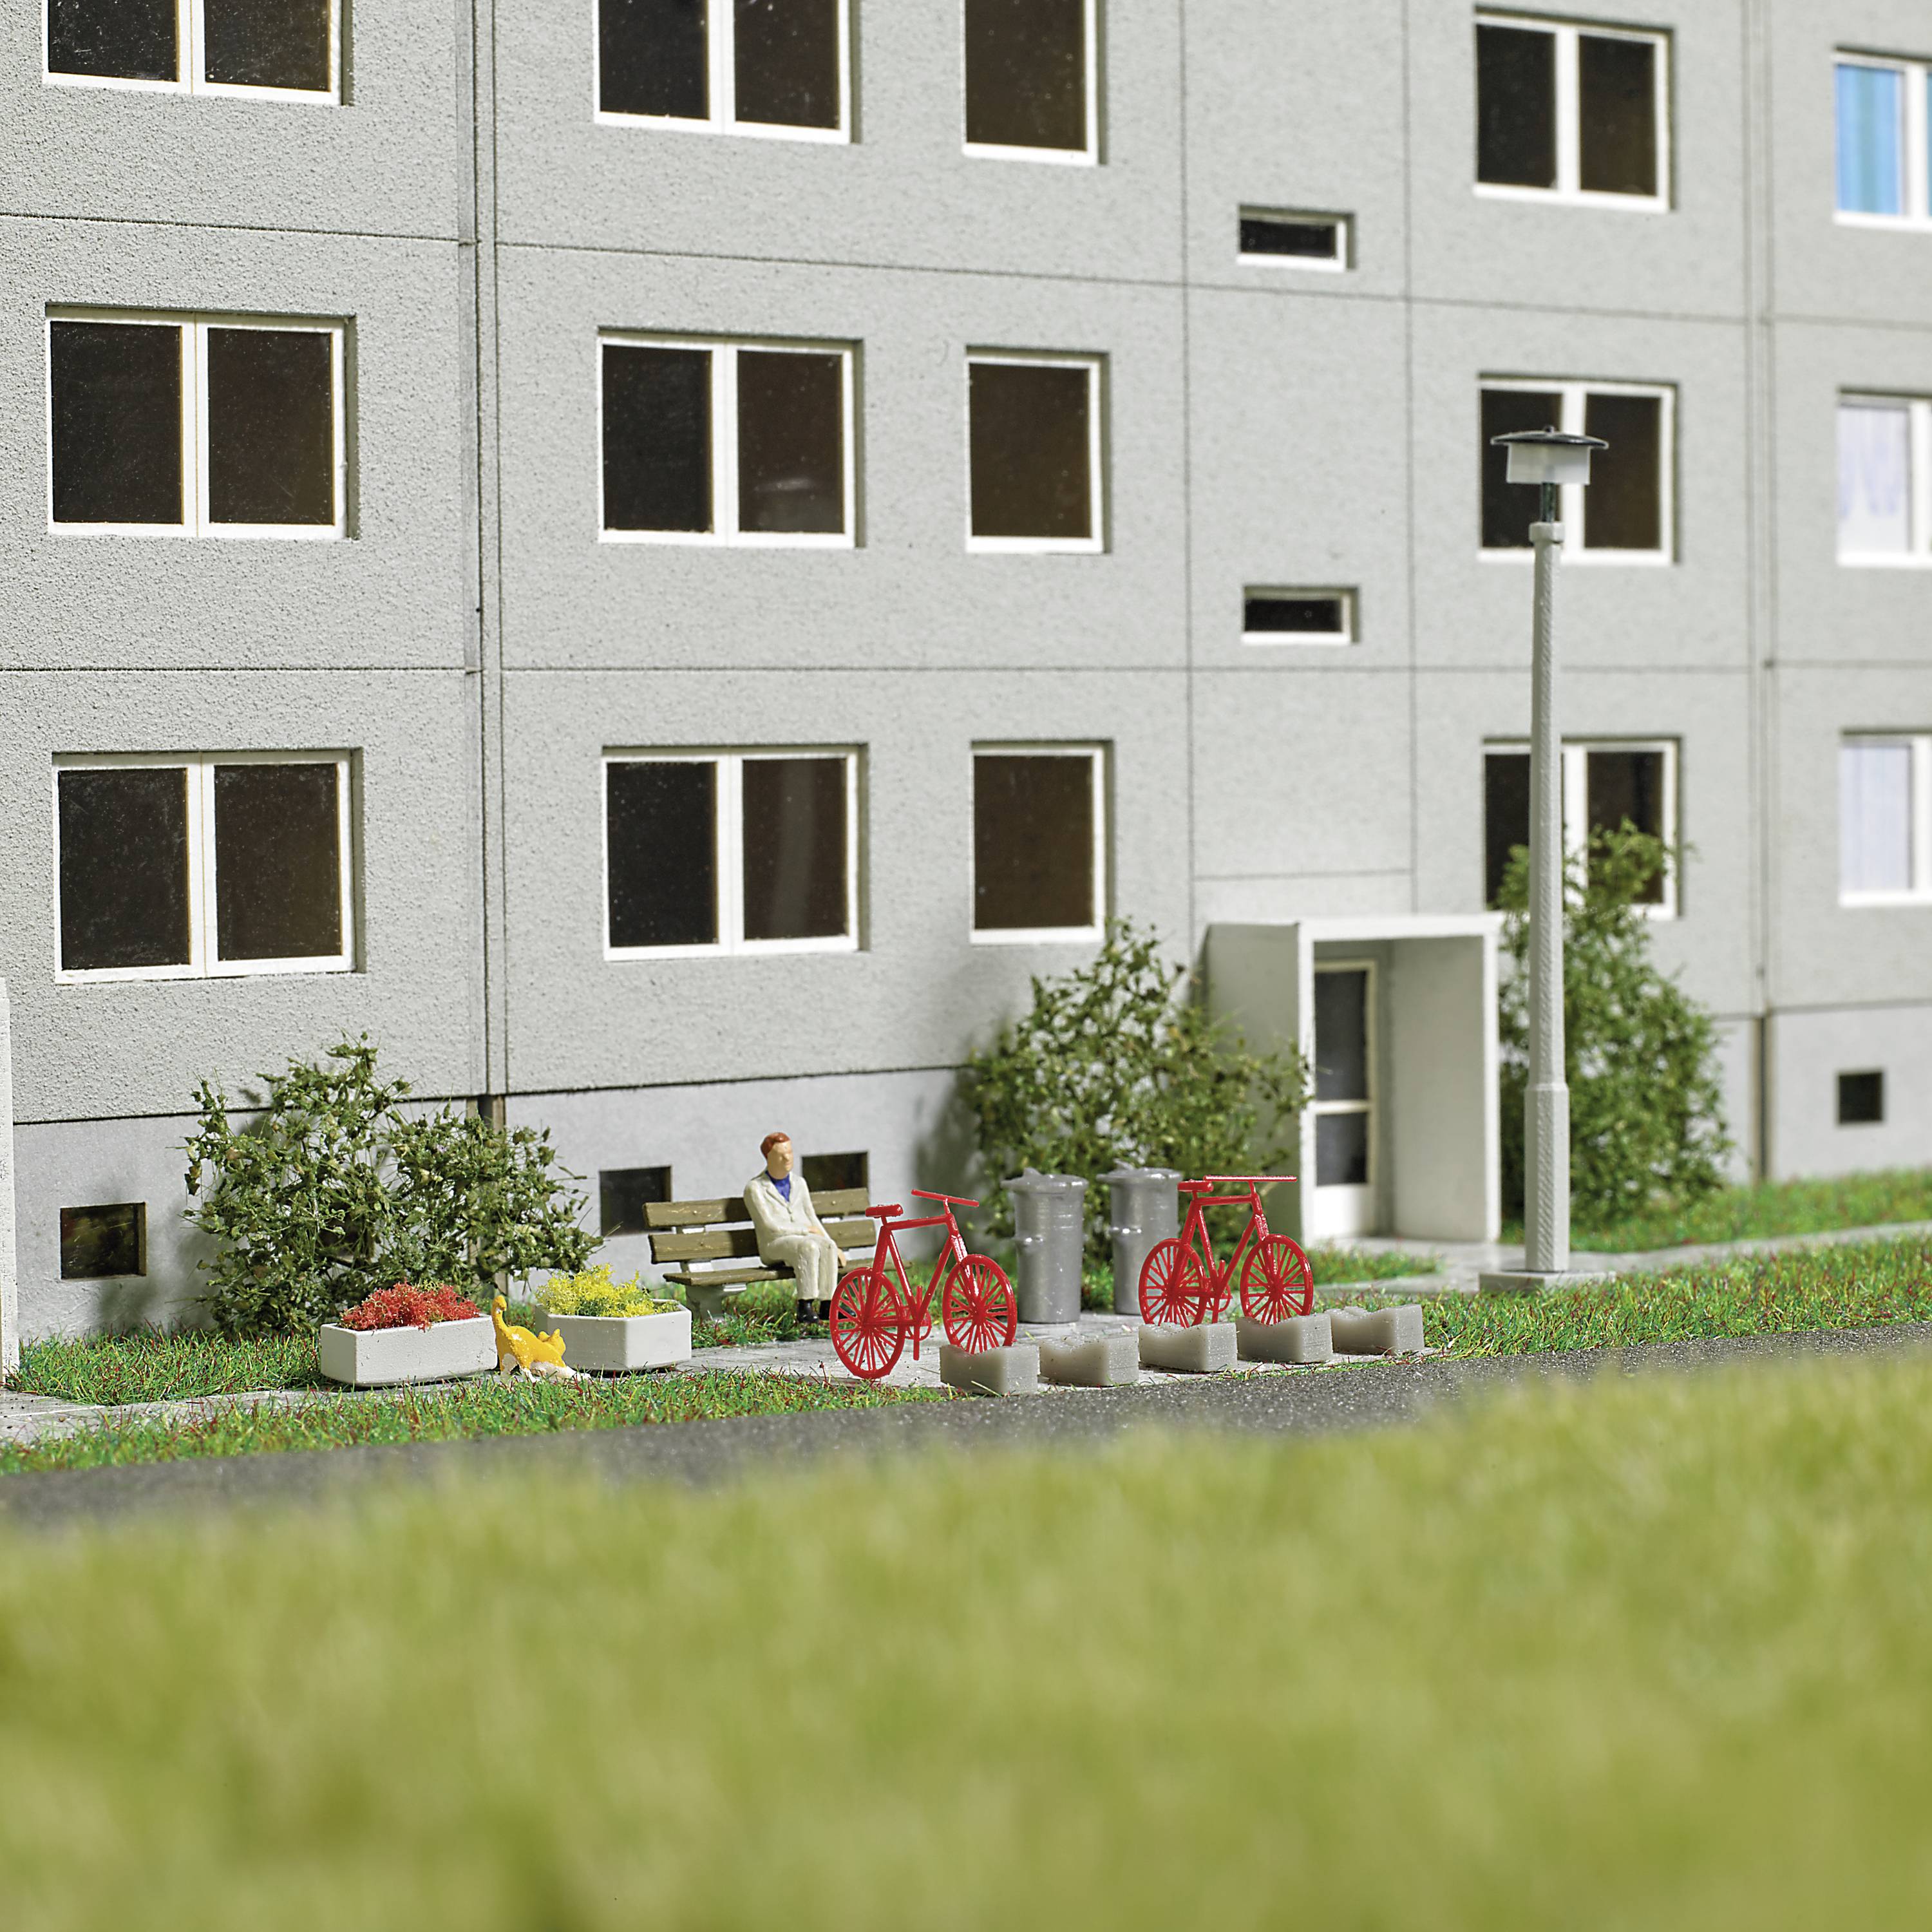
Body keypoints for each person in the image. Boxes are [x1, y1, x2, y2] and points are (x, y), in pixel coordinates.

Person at [744, 1132, 841, 1324]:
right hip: (774, 1244)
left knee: (827, 1246)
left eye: (789, 1152)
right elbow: (770, 1226)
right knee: (810, 1247)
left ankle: (828, 1304)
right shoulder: (755, 1188)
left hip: (802, 1239)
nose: (787, 1158)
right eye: (781, 1154)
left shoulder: (799, 1183)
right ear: (768, 1157)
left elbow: (812, 1217)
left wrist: (833, 1244)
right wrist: (804, 1230)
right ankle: (805, 1306)